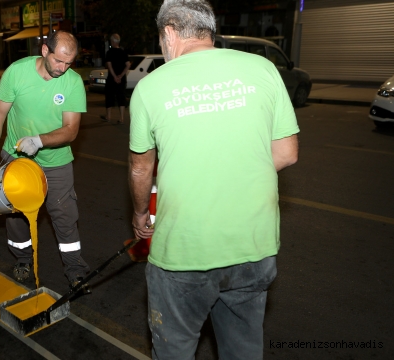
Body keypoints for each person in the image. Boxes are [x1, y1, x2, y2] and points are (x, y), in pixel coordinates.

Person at [128, 0, 299, 359]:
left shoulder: (150, 87)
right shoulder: (263, 69)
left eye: (161, 40)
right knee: (243, 349)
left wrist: (140, 214)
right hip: (253, 245)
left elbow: (141, 168)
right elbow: (286, 153)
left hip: (184, 252)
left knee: (174, 349)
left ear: (170, 33)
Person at [0, 30, 91, 289]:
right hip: (16, 159)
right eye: (58, 60)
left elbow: (71, 129)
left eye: (69, 62)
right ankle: (22, 260)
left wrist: (39, 141)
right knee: (16, 214)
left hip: (57, 161)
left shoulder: (72, 83)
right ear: (44, 51)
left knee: (64, 215)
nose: (63, 68)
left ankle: (75, 269)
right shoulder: (17, 72)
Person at [101, 34, 131, 124]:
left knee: (109, 96)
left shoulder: (109, 52)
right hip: (121, 79)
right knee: (121, 97)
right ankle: (121, 118)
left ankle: (108, 116)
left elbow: (109, 66)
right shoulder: (123, 52)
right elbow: (128, 65)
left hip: (111, 78)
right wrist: (120, 76)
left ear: (113, 42)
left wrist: (114, 76)